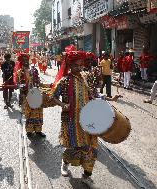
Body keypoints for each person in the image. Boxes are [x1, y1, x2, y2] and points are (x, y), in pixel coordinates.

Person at [50, 47, 120, 188]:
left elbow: (95, 94)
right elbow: (52, 96)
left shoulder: (86, 78)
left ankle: (86, 175)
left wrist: (110, 98)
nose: (79, 67)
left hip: (89, 120)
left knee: (91, 148)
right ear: (70, 66)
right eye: (76, 65)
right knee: (73, 146)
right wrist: (63, 104)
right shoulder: (64, 81)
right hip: (71, 121)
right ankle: (65, 163)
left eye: (81, 65)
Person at [15, 53, 46, 138]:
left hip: (36, 94)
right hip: (26, 96)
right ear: (21, 62)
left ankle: (38, 130)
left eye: (26, 60)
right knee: (28, 113)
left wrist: (48, 86)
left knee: (38, 113)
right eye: (23, 60)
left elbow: (38, 82)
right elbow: (18, 84)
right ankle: (29, 131)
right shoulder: (19, 72)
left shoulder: (34, 70)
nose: (25, 62)